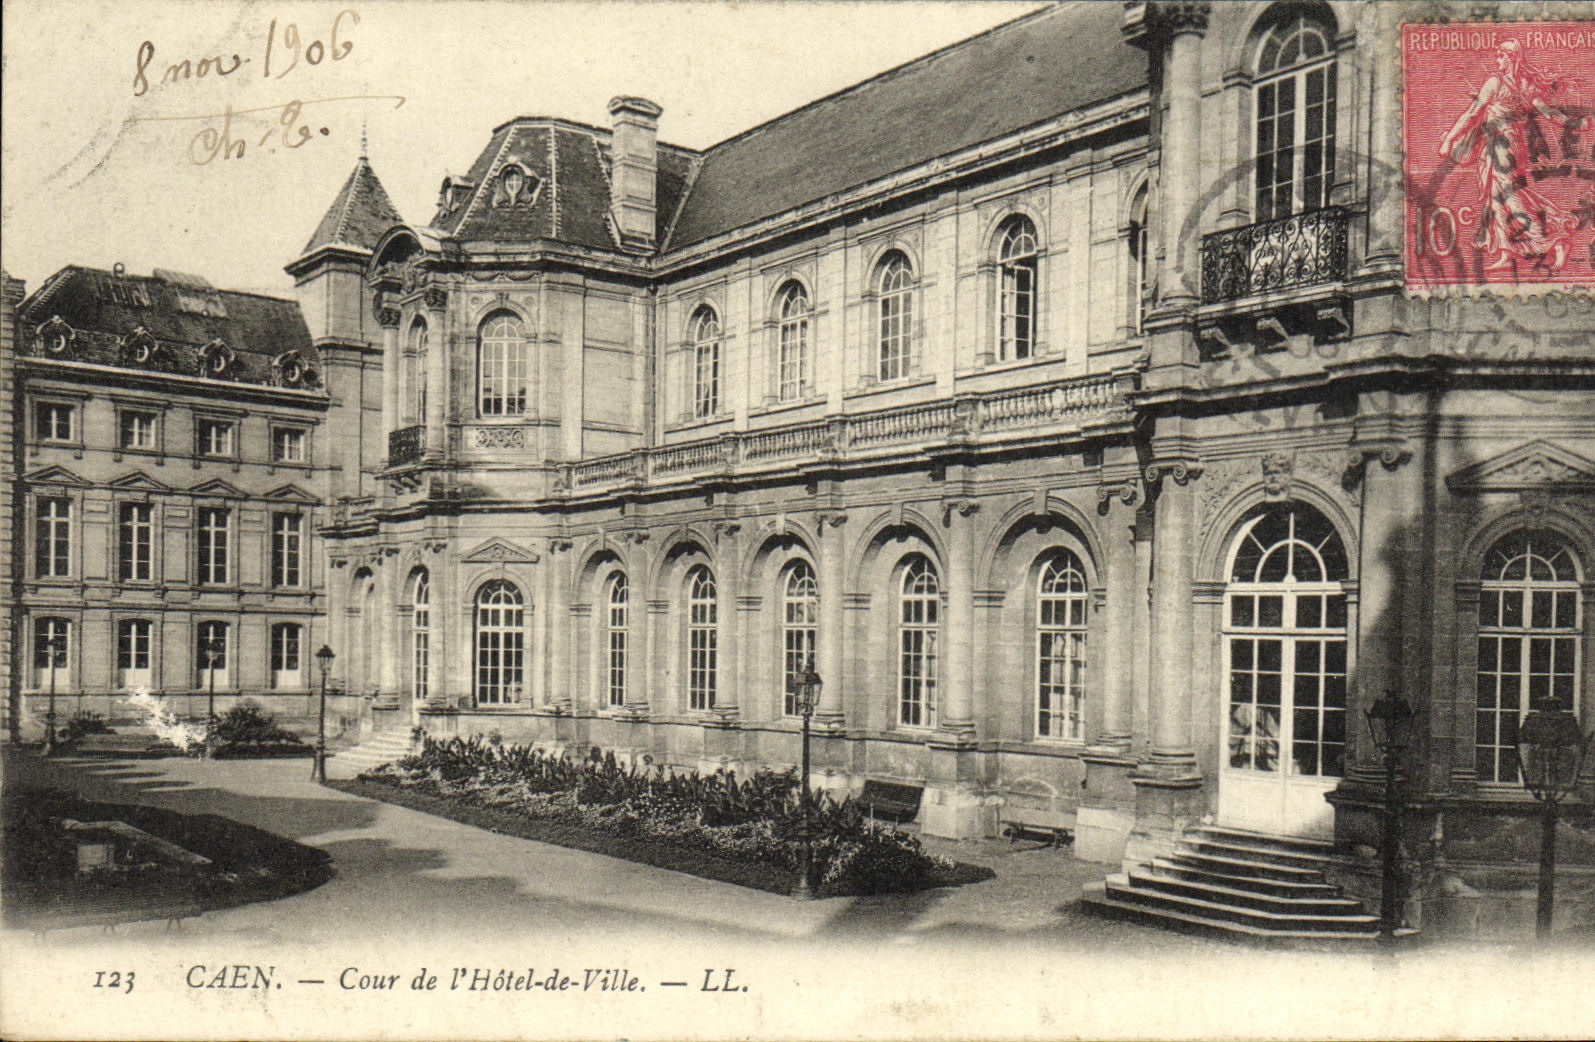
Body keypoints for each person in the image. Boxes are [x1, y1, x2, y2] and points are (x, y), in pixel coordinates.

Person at [1437, 38, 1585, 273]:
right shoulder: (1526, 85)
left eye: (1501, 56)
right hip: (1509, 146)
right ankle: (1507, 252)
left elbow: (1472, 113)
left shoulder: (1495, 82)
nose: (1497, 60)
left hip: (1502, 147)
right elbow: (1549, 113)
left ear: (1512, 57)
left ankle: (1555, 241)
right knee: (1496, 198)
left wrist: (1449, 139)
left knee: (1511, 197)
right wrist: (1574, 123)